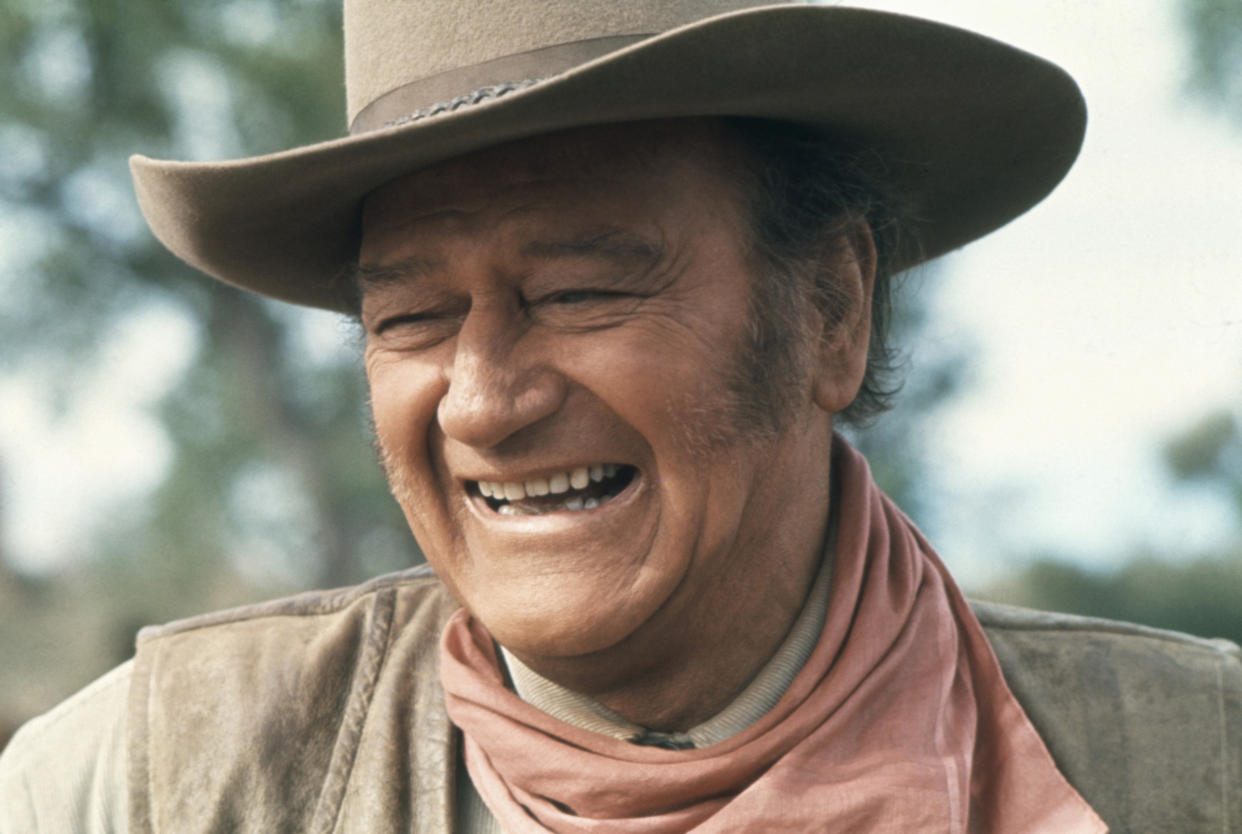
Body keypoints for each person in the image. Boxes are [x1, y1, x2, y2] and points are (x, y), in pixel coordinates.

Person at [2, 1, 1239, 831]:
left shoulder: (1185, 768)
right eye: (414, 319)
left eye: (582, 292)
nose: (485, 399)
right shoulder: (160, 781)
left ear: (831, 310)